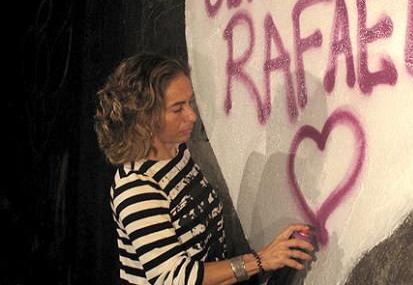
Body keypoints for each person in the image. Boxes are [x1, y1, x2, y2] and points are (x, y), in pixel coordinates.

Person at [94, 53, 315, 285]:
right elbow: (174, 278)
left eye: (190, 103)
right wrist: (260, 261)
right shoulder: (135, 187)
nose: (192, 115)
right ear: (144, 118)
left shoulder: (178, 152)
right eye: (178, 109)